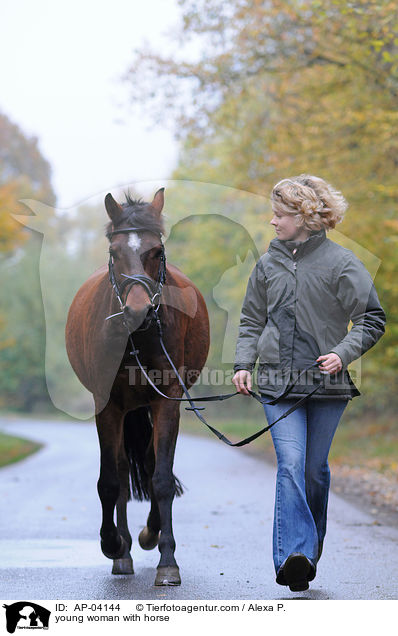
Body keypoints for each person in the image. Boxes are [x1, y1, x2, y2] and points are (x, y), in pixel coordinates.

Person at [232, 175, 386, 592]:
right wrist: (244, 363)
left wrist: (344, 352)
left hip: (327, 387)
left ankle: (308, 552)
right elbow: (250, 320)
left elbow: (372, 319)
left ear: (303, 217)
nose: (273, 222)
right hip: (278, 386)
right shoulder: (266, 265)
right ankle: (292, 555)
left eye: (280, 215)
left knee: (315, 471)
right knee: (290, 463)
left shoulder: (342, 264)